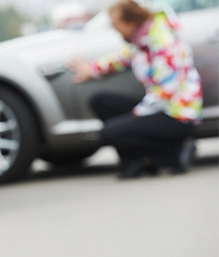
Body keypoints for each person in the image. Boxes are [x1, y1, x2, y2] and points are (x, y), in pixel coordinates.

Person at [68, 0, 202, 178]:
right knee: (100, 101)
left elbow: (165, 91)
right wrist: (91, 70)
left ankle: (175, 152)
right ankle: (139, 161)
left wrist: (135, 116)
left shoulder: (163, 41)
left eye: (116, 25)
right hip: (159, 106)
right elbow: (119, 59)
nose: (115, 30)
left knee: (110, 132)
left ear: (130, 21)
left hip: (177, 113)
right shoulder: (140, 40)